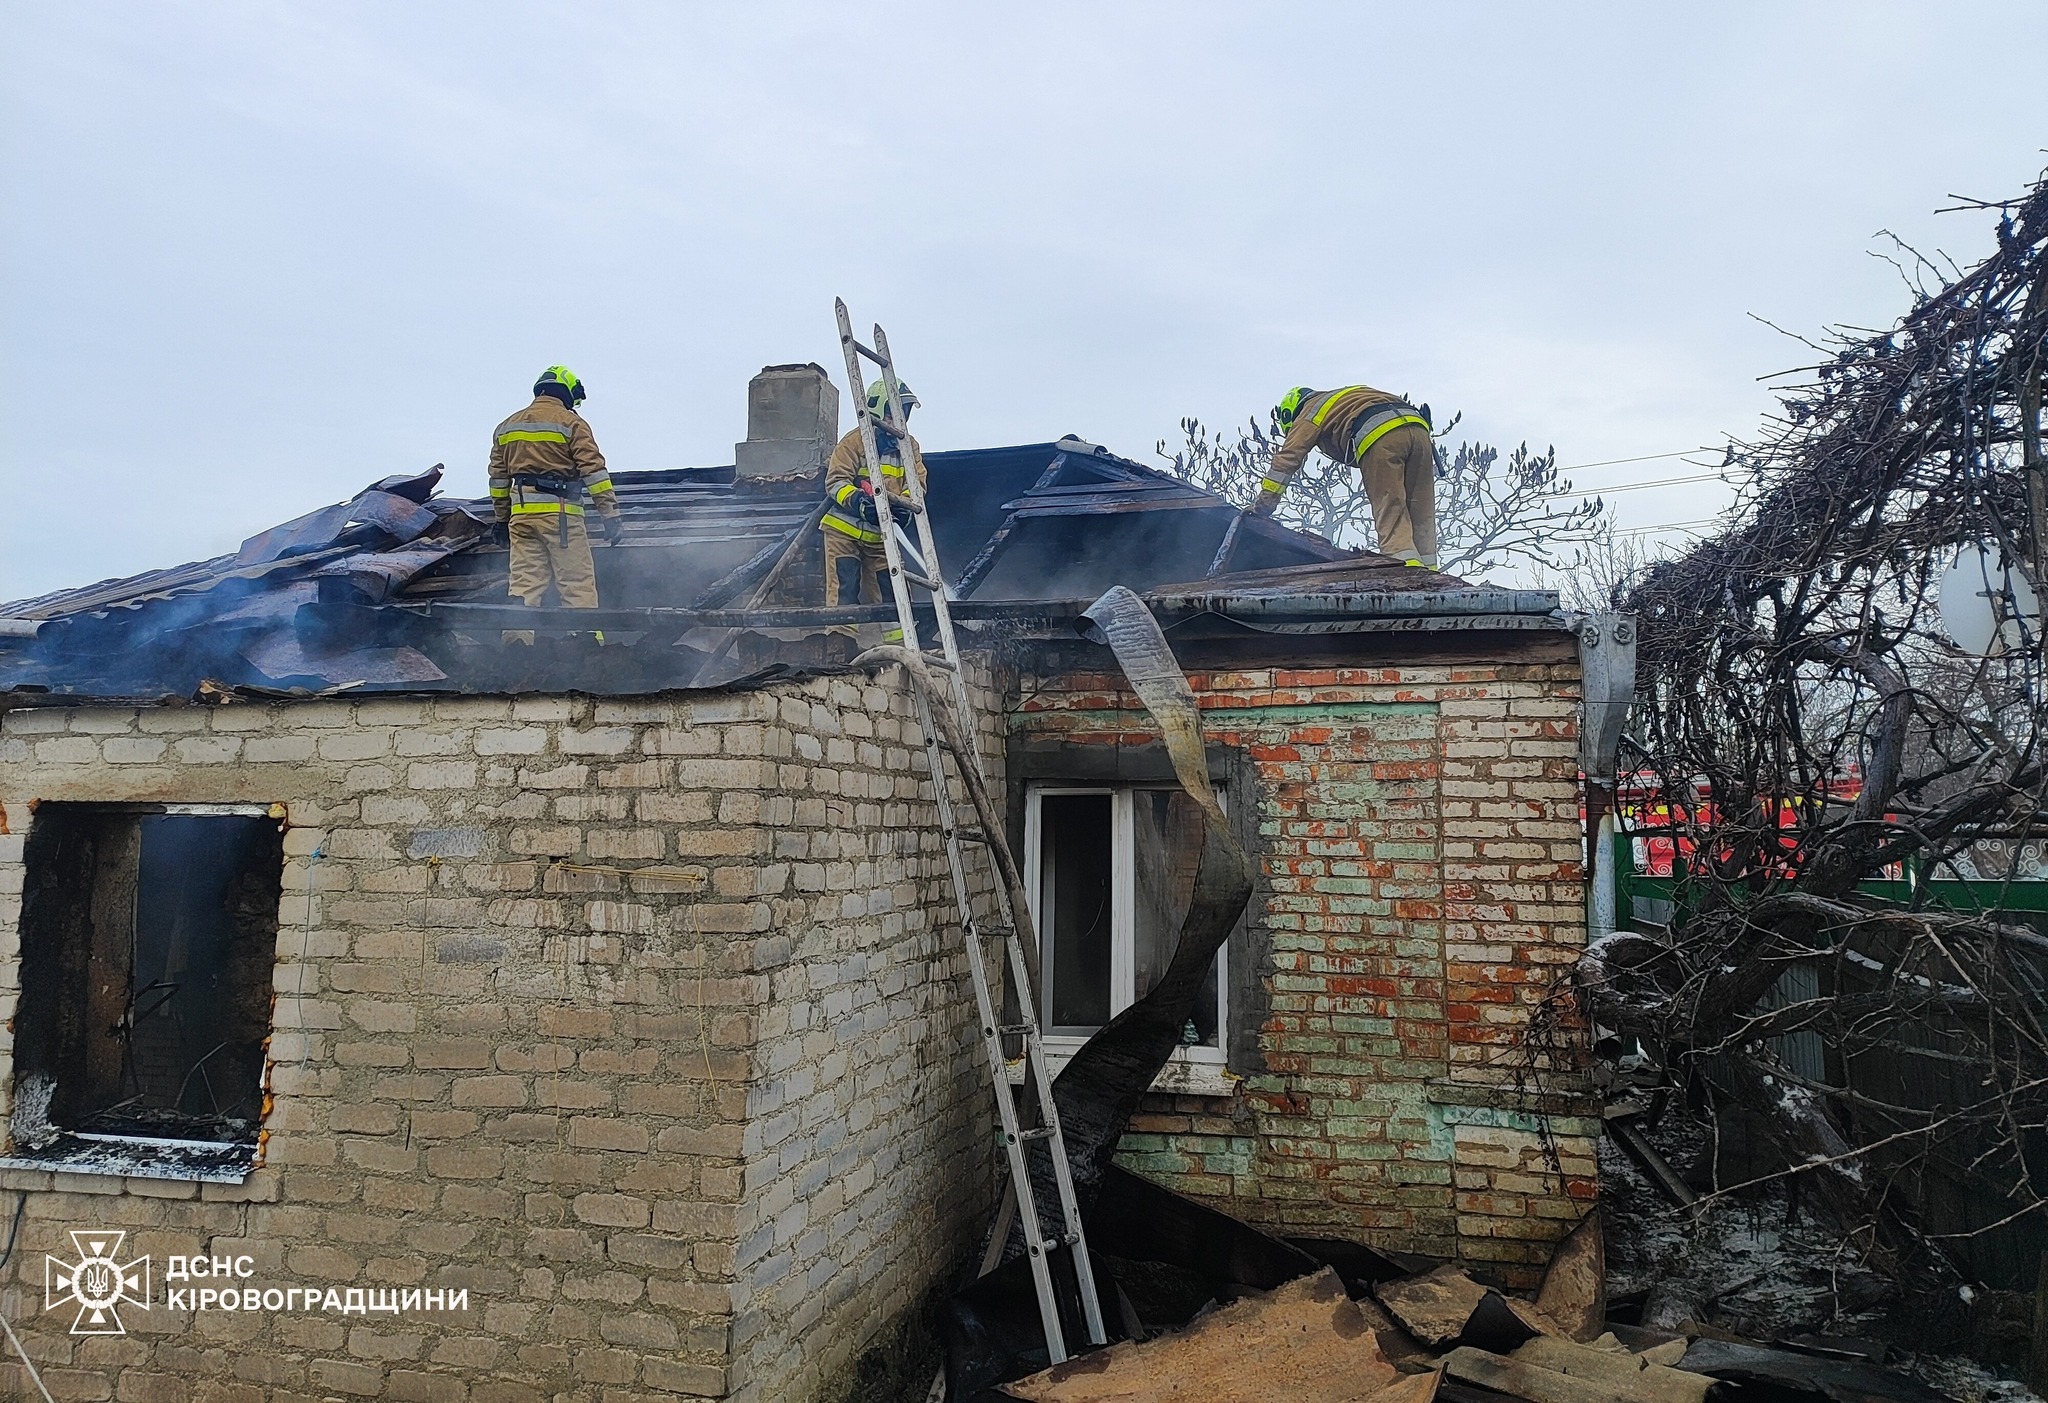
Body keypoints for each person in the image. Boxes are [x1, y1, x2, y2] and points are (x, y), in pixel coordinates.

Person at [488, 366, 622, 641]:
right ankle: (586, 648)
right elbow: (594, 472)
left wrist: (501, 520)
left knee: (524, 586)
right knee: (576, 584)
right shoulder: (571, 423)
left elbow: (498, 481)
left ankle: (515, 648)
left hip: (521, 519)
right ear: (567, 393)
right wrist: (610, 514)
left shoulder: (506, 426)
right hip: (561, 517)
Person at [1250, 384, 1437, 567]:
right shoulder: (1341, 398)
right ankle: (1430, 571)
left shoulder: (1310, 411)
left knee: (1389, 503)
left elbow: (1287, 460)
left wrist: (1263, 506)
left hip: (1380, 433)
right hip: (1419, 430)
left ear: (1290, 414)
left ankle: (1405, 566)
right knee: (1421, 507)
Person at [820, 380, 926, 641]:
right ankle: (839, 645)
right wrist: (858, 502)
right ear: (878, 409)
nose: (899, 418)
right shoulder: (855, 441)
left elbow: (917, 485)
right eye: (894, 410)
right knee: (845, 587)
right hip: (845, 532)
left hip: (882, 536)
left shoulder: (908, 446)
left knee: (890, 591)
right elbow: (835, 482)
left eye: (904, 411)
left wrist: (905, 507)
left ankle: (901, 646)